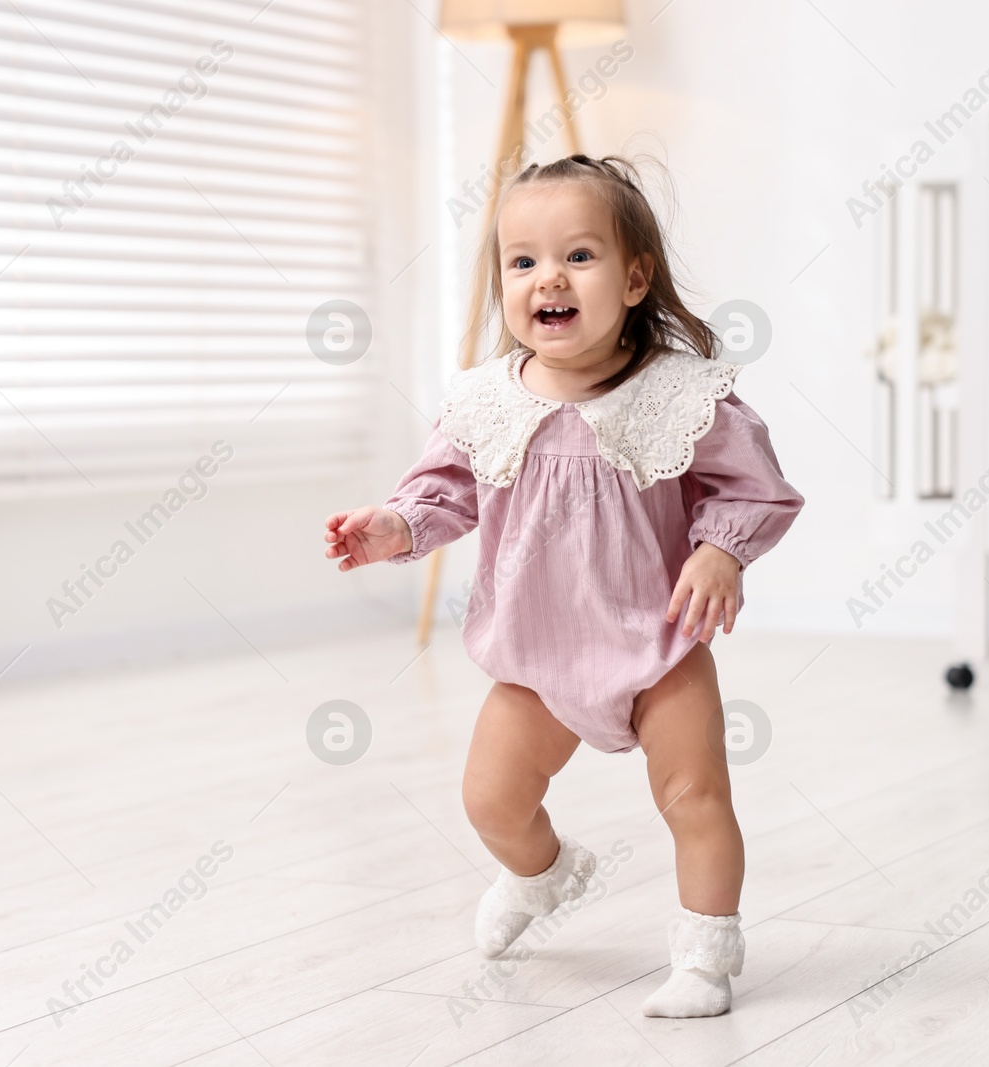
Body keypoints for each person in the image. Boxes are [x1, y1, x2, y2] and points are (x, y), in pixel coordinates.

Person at [322, 154, 803, 1018]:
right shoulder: (486, 401)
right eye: (522, 261)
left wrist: (721, 551)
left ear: (634, 277)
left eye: (579, 255)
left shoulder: (678, 394)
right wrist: (393, 526)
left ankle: (704, 953)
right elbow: (446, 491)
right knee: (490, 798)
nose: (548, 277)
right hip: (537, 656)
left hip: (659, 646)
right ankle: (544, 874)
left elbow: (755, 486)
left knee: (695, 797)